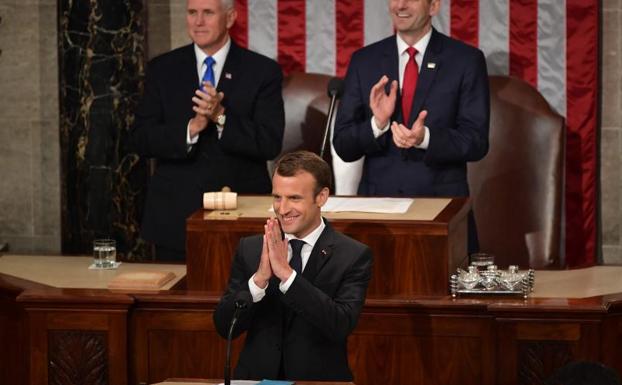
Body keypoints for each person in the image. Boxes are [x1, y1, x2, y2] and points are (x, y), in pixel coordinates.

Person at [131, 0, 284, 261]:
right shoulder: (162, 68)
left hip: (241, 213)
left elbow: (269, 143)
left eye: (208, 13)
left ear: (230, 17)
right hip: (175, 218)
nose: (198, 21)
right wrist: (191, 128)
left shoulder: (262, 70)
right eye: (192, 12)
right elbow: (141, 138)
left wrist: (220, 116)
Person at [333, 0, 489, 252]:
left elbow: (476, 141)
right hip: (378, 212)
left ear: (434, 6)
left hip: (441, 209)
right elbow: (343, 145)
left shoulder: (465, 60)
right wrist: (377, 124)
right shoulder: (365, 61)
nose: (400, 5)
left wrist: (425, 137)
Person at [213, 151, 373, 381]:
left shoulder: (352, 255)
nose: (283, 208)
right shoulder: (251, 249)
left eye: (294, 198)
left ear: (322, 197)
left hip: (317, 381)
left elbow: (340, 324)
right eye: (277, 197)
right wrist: (258, 281)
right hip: (256, 377)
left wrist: (287, 275)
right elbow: (223, 326)